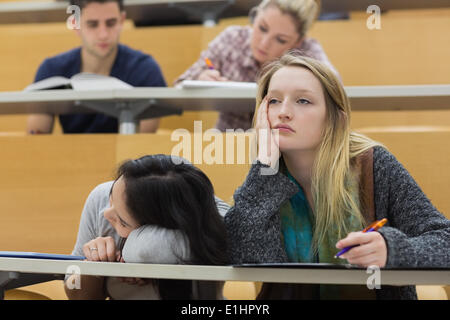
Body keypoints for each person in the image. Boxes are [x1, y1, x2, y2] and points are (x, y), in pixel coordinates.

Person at [224, 52, 450, 300]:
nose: (283, 113)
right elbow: (243, 254)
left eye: (303, 101)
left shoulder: (374, 165)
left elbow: (444, 241)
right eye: (274, 101)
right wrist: (264, 167)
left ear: (336, 119)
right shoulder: (264, 177)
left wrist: (392, 249)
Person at [64, 154, 229, 299]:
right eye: (111, 198)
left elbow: (145, 250)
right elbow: (74, 290)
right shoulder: (101, 198)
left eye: (122, 221)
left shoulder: (210, 221)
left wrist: (139, 260)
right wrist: (92, 268)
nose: (106, 214)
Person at [175, 0, 339, 131]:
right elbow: (180, 83)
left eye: (280, 39)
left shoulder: (308, 52)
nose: (264, 43)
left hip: (284, 146)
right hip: (228, 141)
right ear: (254, 17)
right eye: (262, 28)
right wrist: (201, 76)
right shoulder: (232, 39)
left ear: (297, 42)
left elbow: (335, 93)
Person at [27, 0, 166, 134]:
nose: (103, 35)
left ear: (122, 20)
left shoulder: (144, 69)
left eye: (111, 23)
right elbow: (36, 140)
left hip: (126, 156)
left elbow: (140, 143)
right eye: (93, 25)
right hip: (70, 155)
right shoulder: (52, 70)